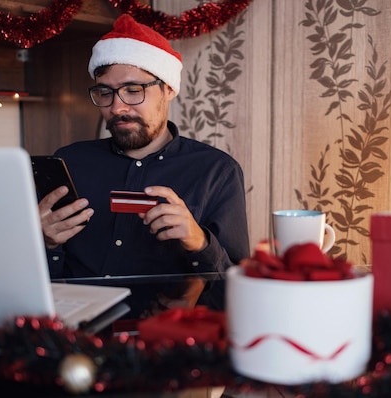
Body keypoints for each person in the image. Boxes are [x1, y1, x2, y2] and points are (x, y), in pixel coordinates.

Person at [38, 14, 250, 317]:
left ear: (168, 89)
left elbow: (240, 295)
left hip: (168, 346)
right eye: (104, 92)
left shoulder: (217, 172)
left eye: (133, 90)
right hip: (73, 339)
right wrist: (43, 242)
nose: (117, 107)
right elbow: (37, 279)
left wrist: (200, 242)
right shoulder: (69, 162)